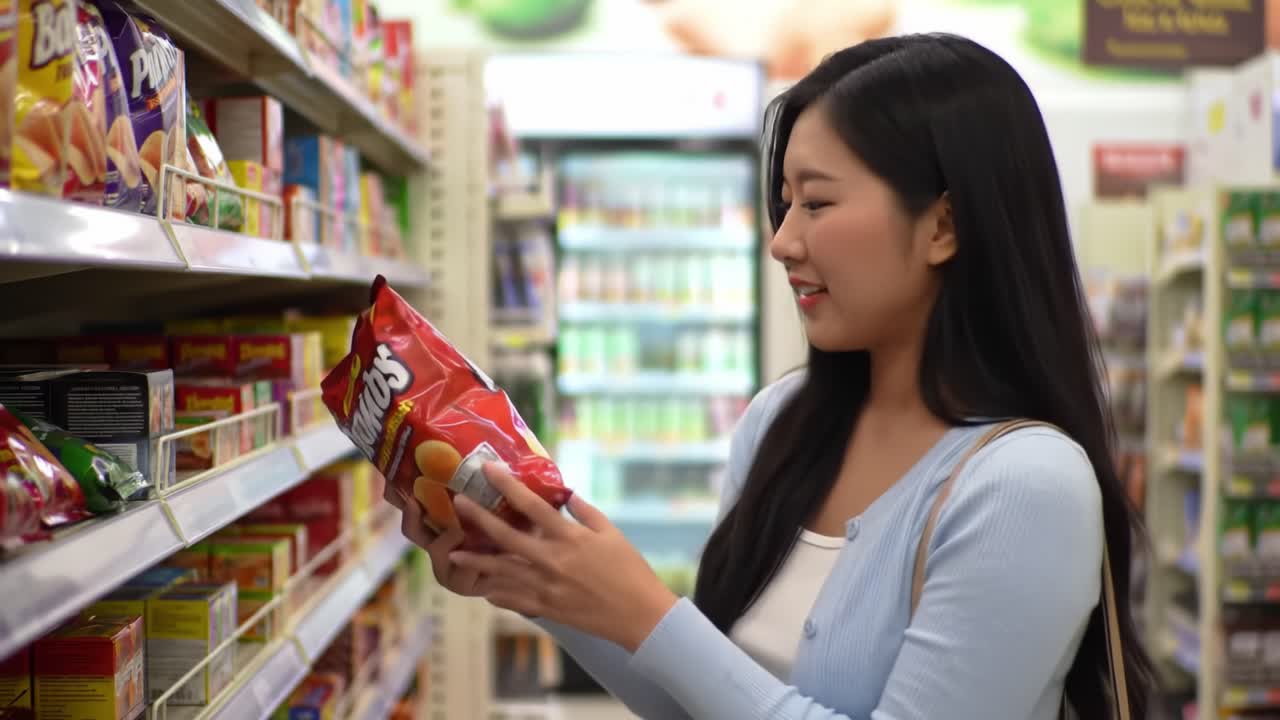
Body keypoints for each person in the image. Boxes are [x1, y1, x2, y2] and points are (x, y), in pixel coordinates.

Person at [390, 33, 1157, 719]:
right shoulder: (780, 422)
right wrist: (530, 570)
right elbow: (696, 700)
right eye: (783, 204)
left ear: (945, 226)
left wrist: (654, 615)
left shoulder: (1025, 486)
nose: (782, 242)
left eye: (817, 203)